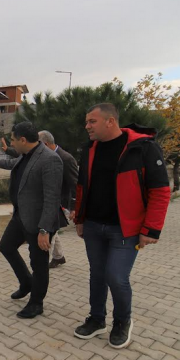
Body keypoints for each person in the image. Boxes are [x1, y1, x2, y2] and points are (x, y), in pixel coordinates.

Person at [73, 103, 171, 349]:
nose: (87, 126)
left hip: (125, 230)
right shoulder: (90, 149)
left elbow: (160, 192)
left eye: (91, 121)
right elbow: (82, 186)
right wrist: (80, 219)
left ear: (110, 122)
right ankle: (97, 320)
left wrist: (151, 230)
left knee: (116, 277)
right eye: (86, 122)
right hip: (94, 225)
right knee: (97, 275)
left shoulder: (142, 148)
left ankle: (122, 322)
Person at [0, 121, 64, 319]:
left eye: (13, 140)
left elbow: (52, 198)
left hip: (38, 222)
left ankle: (36, 303)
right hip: (20, 216)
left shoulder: (50, 159)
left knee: (39, 264)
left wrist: (44, 230)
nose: (12, 144)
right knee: (6, 246)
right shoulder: (25, 154)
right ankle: (26, 283)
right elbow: (9, 163)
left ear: (23, 140)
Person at [1, 131, 78, 268]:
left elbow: (75, 184)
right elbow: (20, 158)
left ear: (45, 144)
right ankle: (59, 256)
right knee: (54, 232)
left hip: (60, 204)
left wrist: (74, 206)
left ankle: (44, 262)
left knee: (49, 233)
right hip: (47, 202)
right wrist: (7, 150)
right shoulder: (39, 156)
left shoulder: (65, 158)